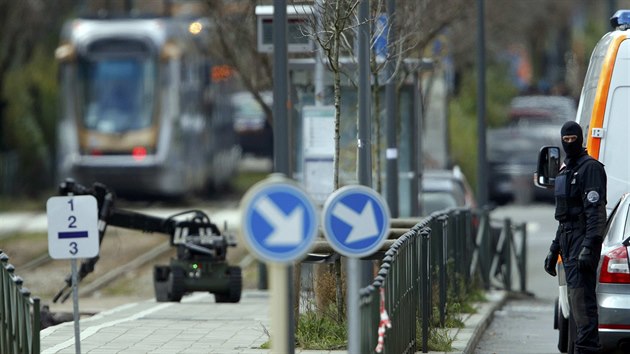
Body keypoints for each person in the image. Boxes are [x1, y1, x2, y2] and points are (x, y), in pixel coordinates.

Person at [544, 121, 607, 354]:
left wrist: (590, 246)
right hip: (568, 242)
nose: (569, 143)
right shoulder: (566, 170)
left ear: (580, 139)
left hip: (582, 241)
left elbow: (595, 213)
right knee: (574, 306)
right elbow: (564, 219)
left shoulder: (590, 169)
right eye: (565, 140)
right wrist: (554, 249)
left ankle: (586, 350)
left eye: (573, 139)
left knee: (583, 307)